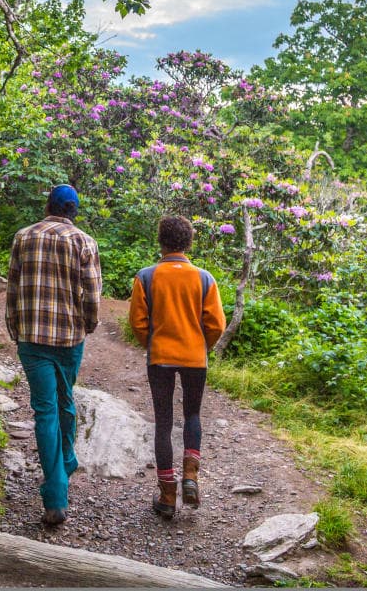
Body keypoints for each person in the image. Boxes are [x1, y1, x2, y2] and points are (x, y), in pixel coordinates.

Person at [5, 184, 102, 527]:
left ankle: (57, 489)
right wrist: (88, 326)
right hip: (68, 339)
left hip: (31, 338)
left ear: (47, 205)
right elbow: (91, 295)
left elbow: (13, 288)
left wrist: (14, 327)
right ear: (74, 211)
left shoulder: (23, 237)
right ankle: (62, 475)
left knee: (44, 411)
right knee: (65, 402)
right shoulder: (84, 242)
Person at [128, 214, 226, 519]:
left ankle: (168, 495)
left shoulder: (146, 277)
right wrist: (202, 344)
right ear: (189, 242)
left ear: (161, 241)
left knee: (164, 423)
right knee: (193, 414)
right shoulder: (204, 278)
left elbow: (137, 322)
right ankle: (191, 478)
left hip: (160, 357)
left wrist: (152, 343)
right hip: (195, 357)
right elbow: (217, 324)